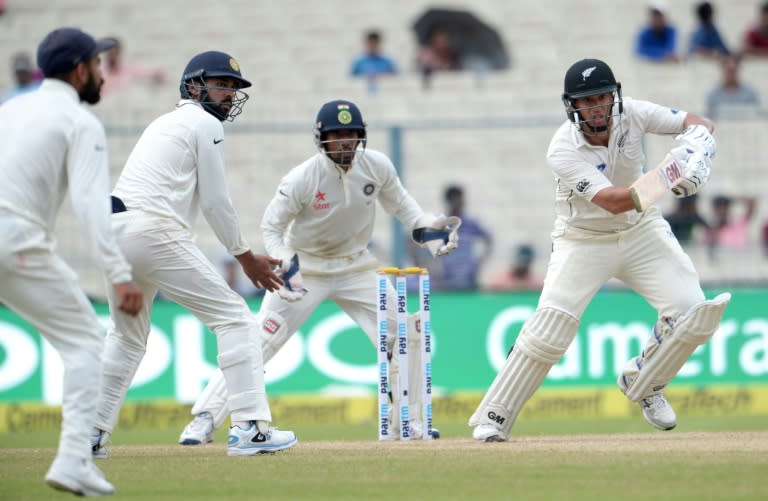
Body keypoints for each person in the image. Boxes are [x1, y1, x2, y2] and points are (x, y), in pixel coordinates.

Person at [468, 58, 731, 443]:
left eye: (603, 97)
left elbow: (699, 122)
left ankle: (644, 382)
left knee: (693, 311)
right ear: (572, 106)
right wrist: (672, 174)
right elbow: (612, 201)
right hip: (583, 239)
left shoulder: (634, 113)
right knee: (550, 329)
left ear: (614, 96)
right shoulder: (561, 149)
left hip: (641, 231)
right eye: (586, 101)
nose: (597, 107)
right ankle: (494, 416)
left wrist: (698, 146)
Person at [177, 99, 461, 445]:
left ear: (361, 138)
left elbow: (405, 208)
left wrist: (431, 231)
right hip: (305, 269)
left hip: (356, 266)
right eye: (336, 135)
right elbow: (271, 227)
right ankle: (205, 418)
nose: (344, 142)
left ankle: (407, 422)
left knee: (406, 335)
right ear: (321, 138)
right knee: (260, 342)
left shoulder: (376, 166)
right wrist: (286, 261)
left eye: (351, 135)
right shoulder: (302, 177)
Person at [90, 50, 298, 458]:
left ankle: (89, 434)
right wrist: (245, 257)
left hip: (115, 230)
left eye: (232, 88)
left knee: (127, 339)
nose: (228, 94)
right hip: (151, 229)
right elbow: (216, 203)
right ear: (192, 86)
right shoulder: (203, 123)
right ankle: (250, 429)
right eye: (220, 85)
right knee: (236, 319)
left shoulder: (165, 122)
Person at [0, 27, 144, 496]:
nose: (102, 75)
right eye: (98, 67)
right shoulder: (80, 122)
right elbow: (89, 206)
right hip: (14, 238)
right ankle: (72, 460)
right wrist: (120, 275)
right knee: (84, 342)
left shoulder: (11, 107)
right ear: (81, 69)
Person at [428, 184, 492, 290]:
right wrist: (435, 271)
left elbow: (489, 239)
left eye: (461, 199)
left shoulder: (471, 224)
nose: (460, 202)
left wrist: (479, 262)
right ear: (449, 201)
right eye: (456, 199)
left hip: (469, 278)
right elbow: (427, 248)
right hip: (446, 280)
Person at [100, 36, 165, 95]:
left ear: (119, 51)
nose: (112, 54)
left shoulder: (129, 70)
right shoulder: (100, 73)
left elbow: (156, 72)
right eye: (110, 51)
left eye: (114, 51)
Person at [705, 55, 761, 119]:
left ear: (738, 70)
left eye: (733, 70)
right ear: (723, 70)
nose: (731, 74)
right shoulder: (713, 95)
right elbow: (709, 118)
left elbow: (756, 116)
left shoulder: (750, 93)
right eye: (728, 71)